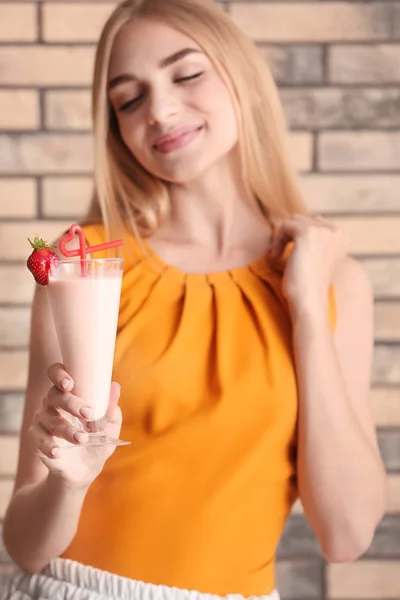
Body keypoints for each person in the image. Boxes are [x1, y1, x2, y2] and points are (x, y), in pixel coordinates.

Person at [1, 1, 388, 599]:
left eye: (187, 75)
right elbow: (25, 544)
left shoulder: (334, 282)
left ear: (245, 80)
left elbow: (346, 534)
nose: (160, 110)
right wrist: (68, 484)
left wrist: (307, 303)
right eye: (129, 100)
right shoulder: (85, 266)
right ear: (118, 129)